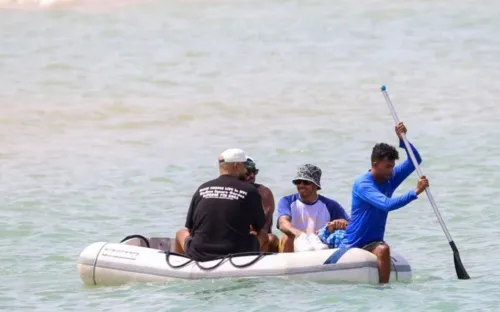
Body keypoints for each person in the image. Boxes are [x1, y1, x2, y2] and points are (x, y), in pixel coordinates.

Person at [338, 122, 429, 284]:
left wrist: (403, 140)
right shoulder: (363, 184)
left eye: (393, 166)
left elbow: (416, 160)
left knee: (383, 249)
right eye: (388, 166)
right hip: (354, 242)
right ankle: (383, 290)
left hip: (373, 241)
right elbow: (387, 204)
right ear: (375, 164)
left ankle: (382, 292)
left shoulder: (389, 177)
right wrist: (414, 192)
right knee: (384, 249)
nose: (391, 170)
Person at [173, 148, 269, 261]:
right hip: (238, 252)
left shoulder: (202, 188)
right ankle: (256, 266)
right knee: (263, 235)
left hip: (200, 252)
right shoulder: (250, 190)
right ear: (237, 166)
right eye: (245, 166)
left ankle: (180, 264)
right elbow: (259, 227)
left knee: (180, 233)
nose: (246, 171)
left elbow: (190, 229)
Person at [277, 164, 350, 252]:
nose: (301, 185)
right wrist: (299, 235)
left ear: (316, 185)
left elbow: (351, 225)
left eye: (306, 182)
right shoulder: (287, 201)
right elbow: (282, 223)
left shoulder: (330, 205)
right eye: (298, 181)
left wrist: (340, 223)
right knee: (287, 236)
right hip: (295, 243)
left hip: (319, 245)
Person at [245, 156, 279, 252]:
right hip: (234, 237)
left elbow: (262, 225)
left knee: (271, 238)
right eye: (248, 171)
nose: (251, 175)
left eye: (254, 171)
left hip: (259, 236)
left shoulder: (263, 192)